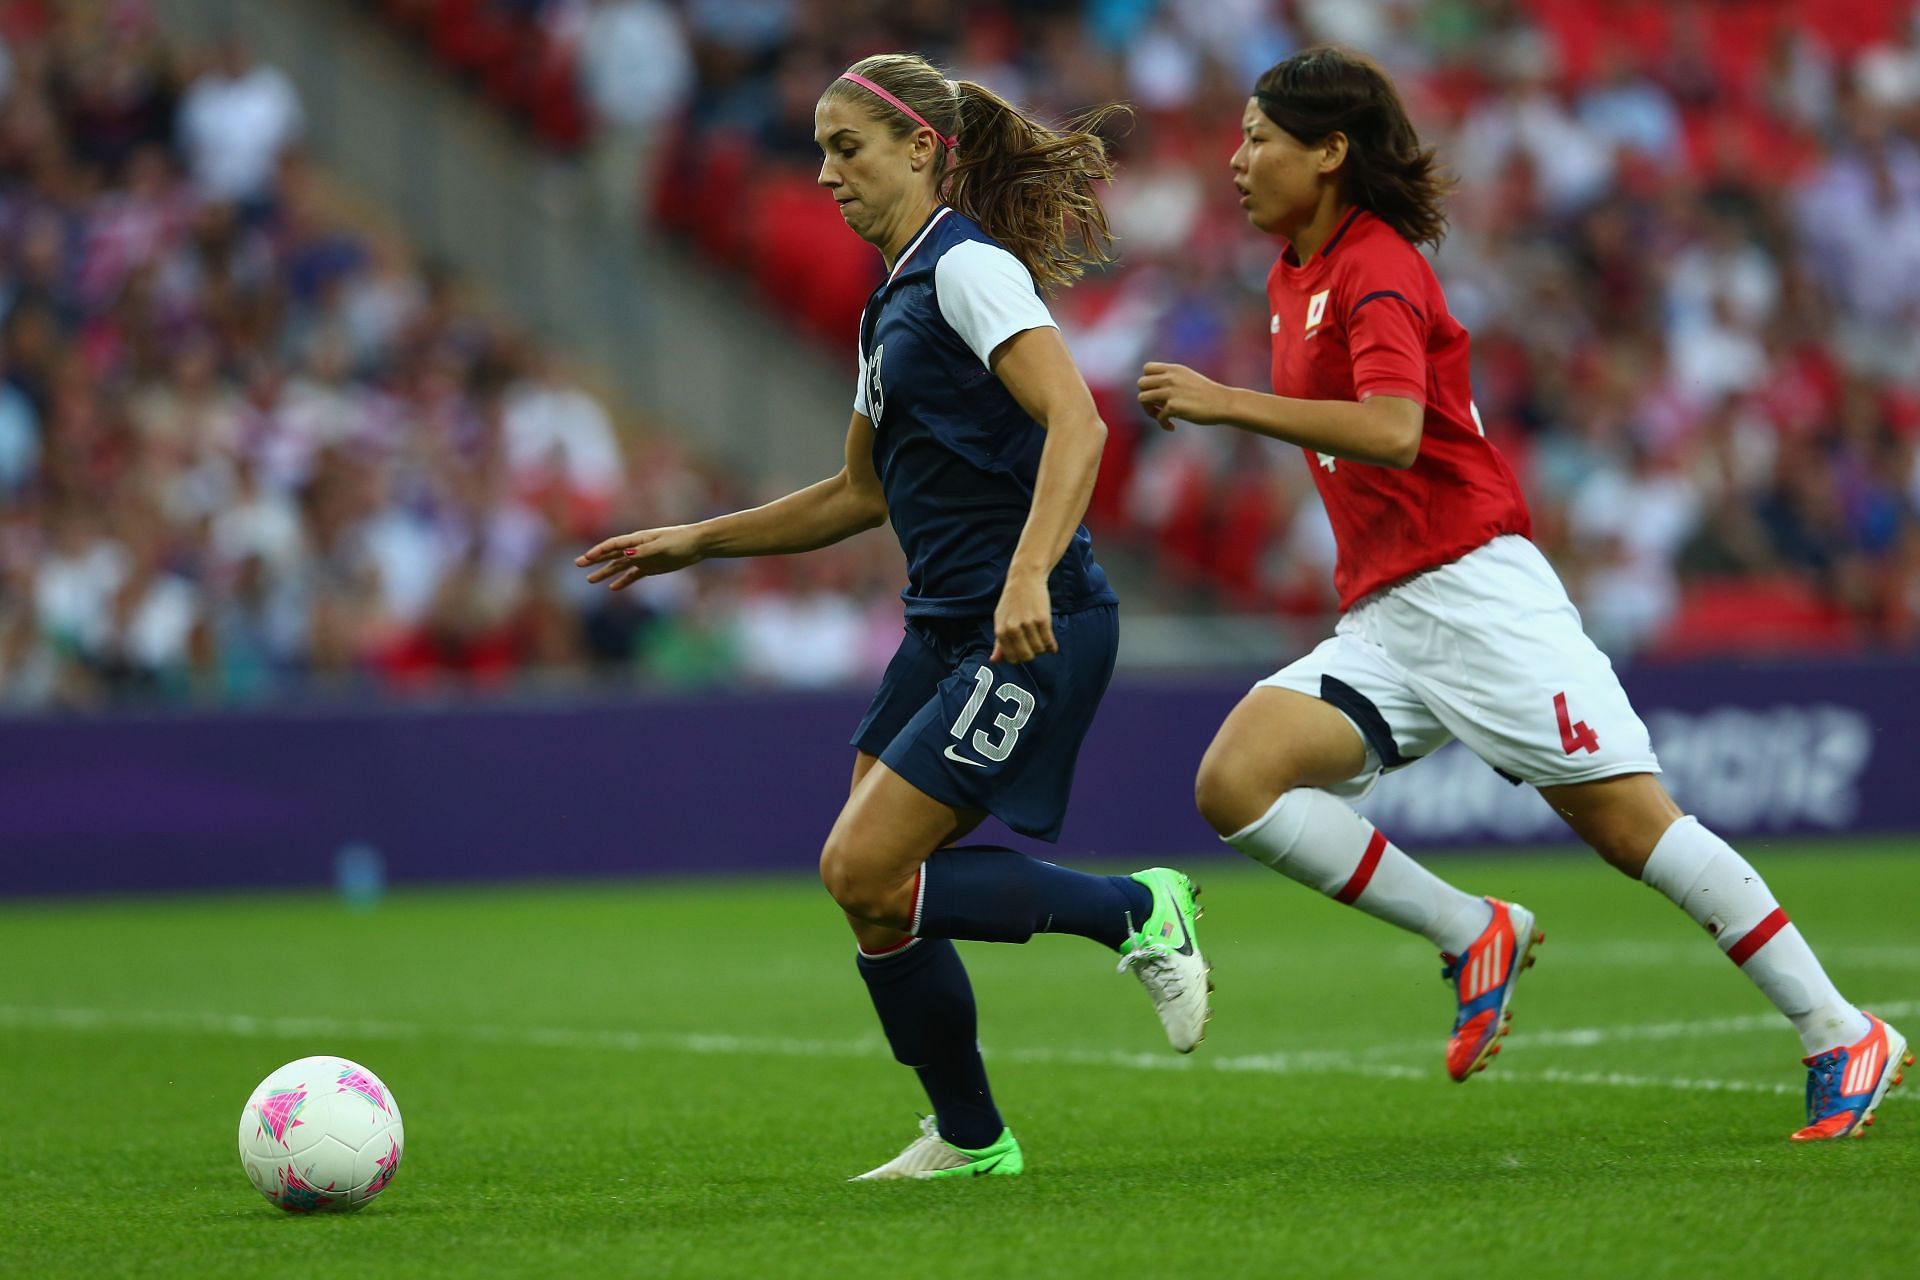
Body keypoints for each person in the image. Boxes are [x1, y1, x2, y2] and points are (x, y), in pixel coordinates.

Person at [1137, 45, 1908, 1141]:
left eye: (1260, 137)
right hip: (1392, 613)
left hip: (1474, 592)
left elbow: (1397, 430)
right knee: (1237, 781)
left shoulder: (1377, 264)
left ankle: (1841, 1030)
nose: (1237, 158)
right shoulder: (1289, 275)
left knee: (1634, 826)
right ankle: (1471, 930)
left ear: (1329, 152)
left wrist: (1231, 404)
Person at [580, 53, 1210, 1180]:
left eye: (846, 148)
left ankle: (1136, 909)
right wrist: (697, 541)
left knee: (864, 868)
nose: (825, 173)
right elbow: (857, 493)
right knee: (880, 903)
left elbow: (1079, 425)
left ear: (923, 149)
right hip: (945, 630)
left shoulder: (969, 271)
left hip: (1036, 620)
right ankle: (973, 1136)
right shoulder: (891, 303)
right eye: (820, 149)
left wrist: (1026, 575)